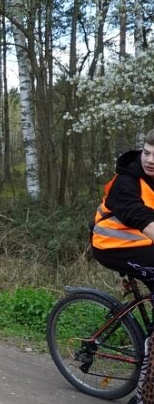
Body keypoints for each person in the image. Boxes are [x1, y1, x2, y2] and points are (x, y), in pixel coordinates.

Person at [89, 130, 154, 404]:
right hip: (111, 246)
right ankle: (143, 396)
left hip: (141, 243)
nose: (149, 160)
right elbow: (137, 215)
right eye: (147, 152)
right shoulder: (126, 181)